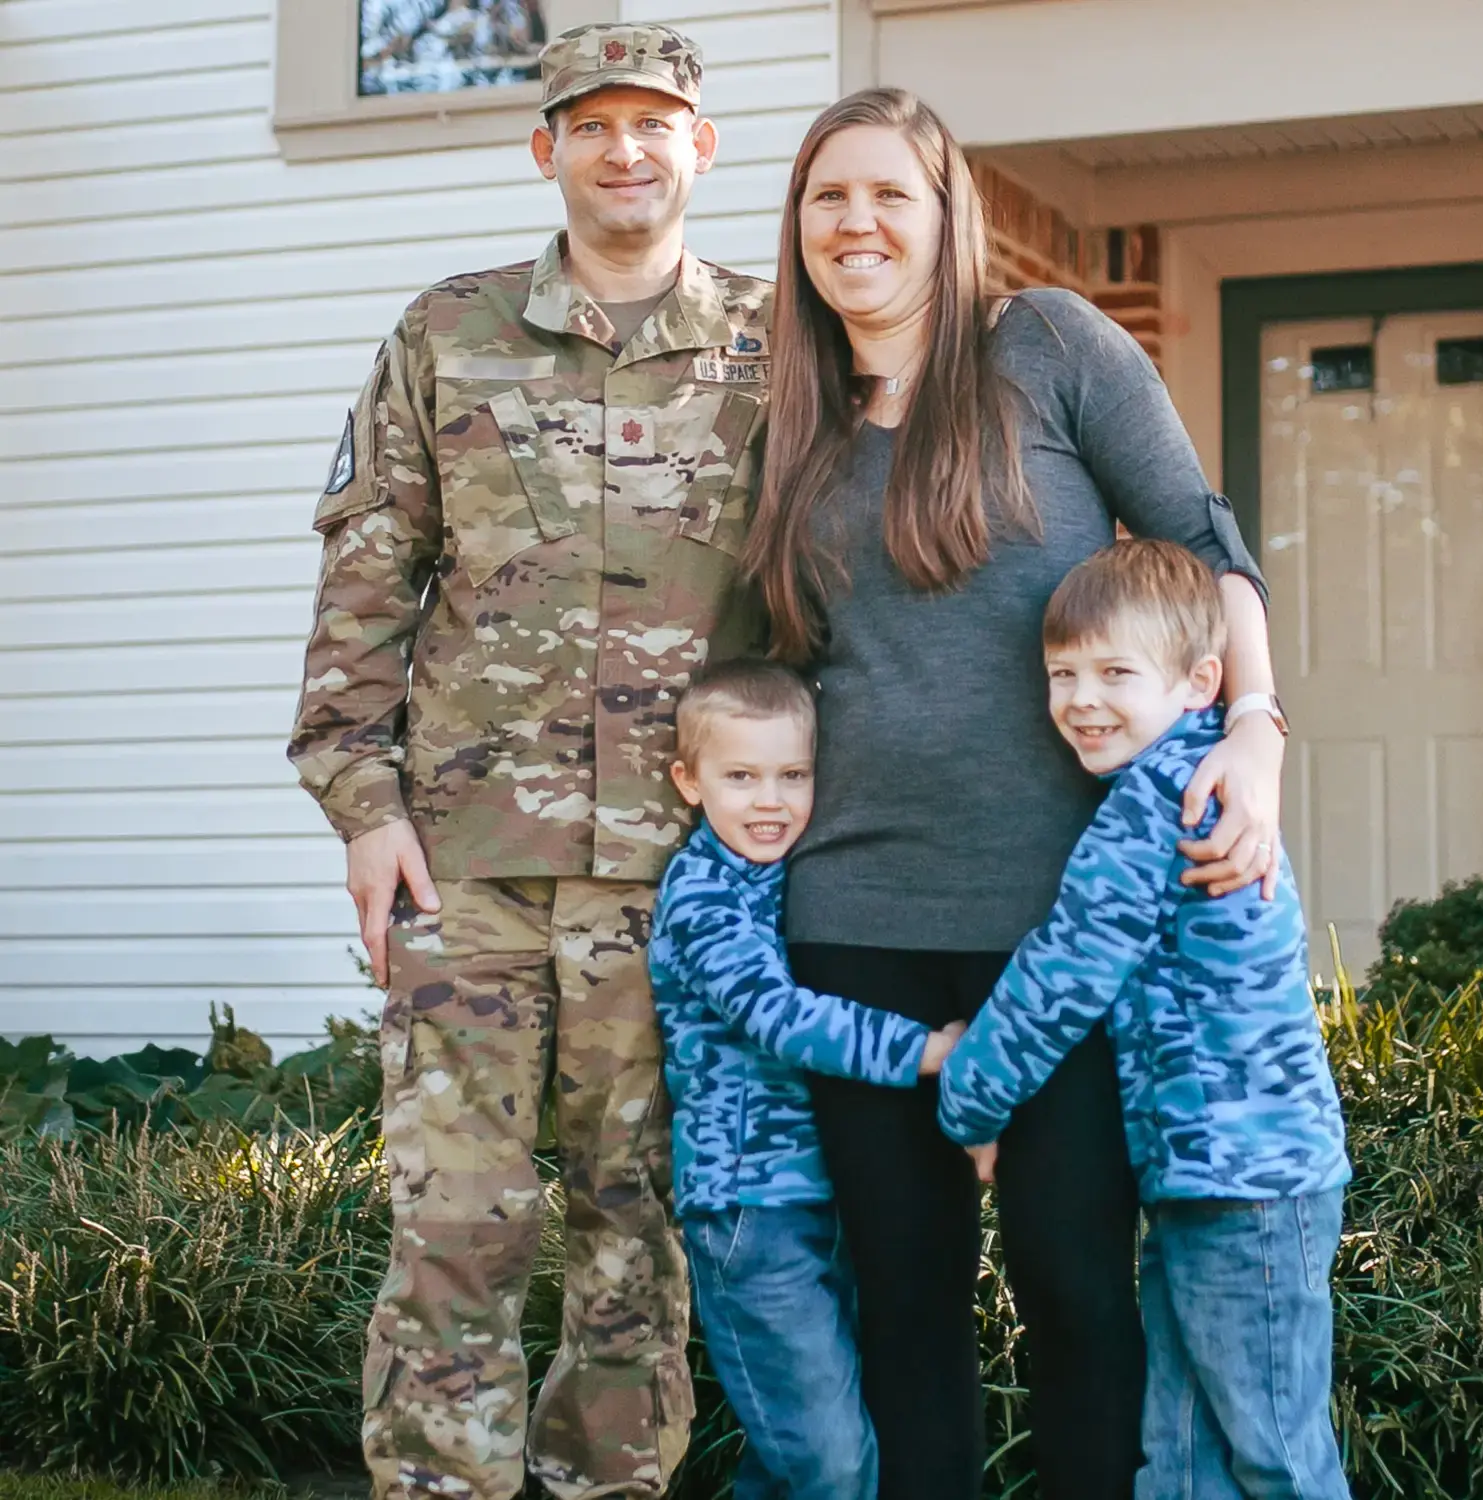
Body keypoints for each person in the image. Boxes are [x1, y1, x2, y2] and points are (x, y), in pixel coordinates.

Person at [742, 87, 1290, 1500]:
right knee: (907, 1306)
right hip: (856, 919)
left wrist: (1259, 733)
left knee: (1073, 1289)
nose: (856, 224)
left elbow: (1203, 543)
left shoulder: (1049, 346)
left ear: (946, 214)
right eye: (827, 198)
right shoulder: (786, 410)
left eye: (888, 196)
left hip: (1066, 919)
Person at [287, 24, 773, 1500]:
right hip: (466, 864)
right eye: (595, 121)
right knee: (459, 1227)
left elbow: (834, 599)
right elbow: (365, 591)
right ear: (544, 146)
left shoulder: (775, 348)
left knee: (640, 1228)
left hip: (682, 879)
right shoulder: (449, 334)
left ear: (704, 143)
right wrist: (363, 812)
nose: (627, 147)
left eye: (656, 121)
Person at [938, 539, 1351, 1500]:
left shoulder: (1169, 797)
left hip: (1251, 1180)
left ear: (1200, 679)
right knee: (1183, 1455)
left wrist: (967, 1099)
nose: (1083, 698)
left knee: (1276, 1454)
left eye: (1116, 672)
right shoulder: (1183, 779)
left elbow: (1063, 973)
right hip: (1203, 1178)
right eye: (1062, 674)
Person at [648, 659, 964, 1500]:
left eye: (793, 775)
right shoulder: (703, 897)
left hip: (827, 1198)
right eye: (740, 776)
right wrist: (927, 1051)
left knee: (793, 1455)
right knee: (831, 1460)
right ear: (689, 781)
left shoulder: (800, 875)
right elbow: (783, 1017)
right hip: (750, 1214)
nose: (770, 801)